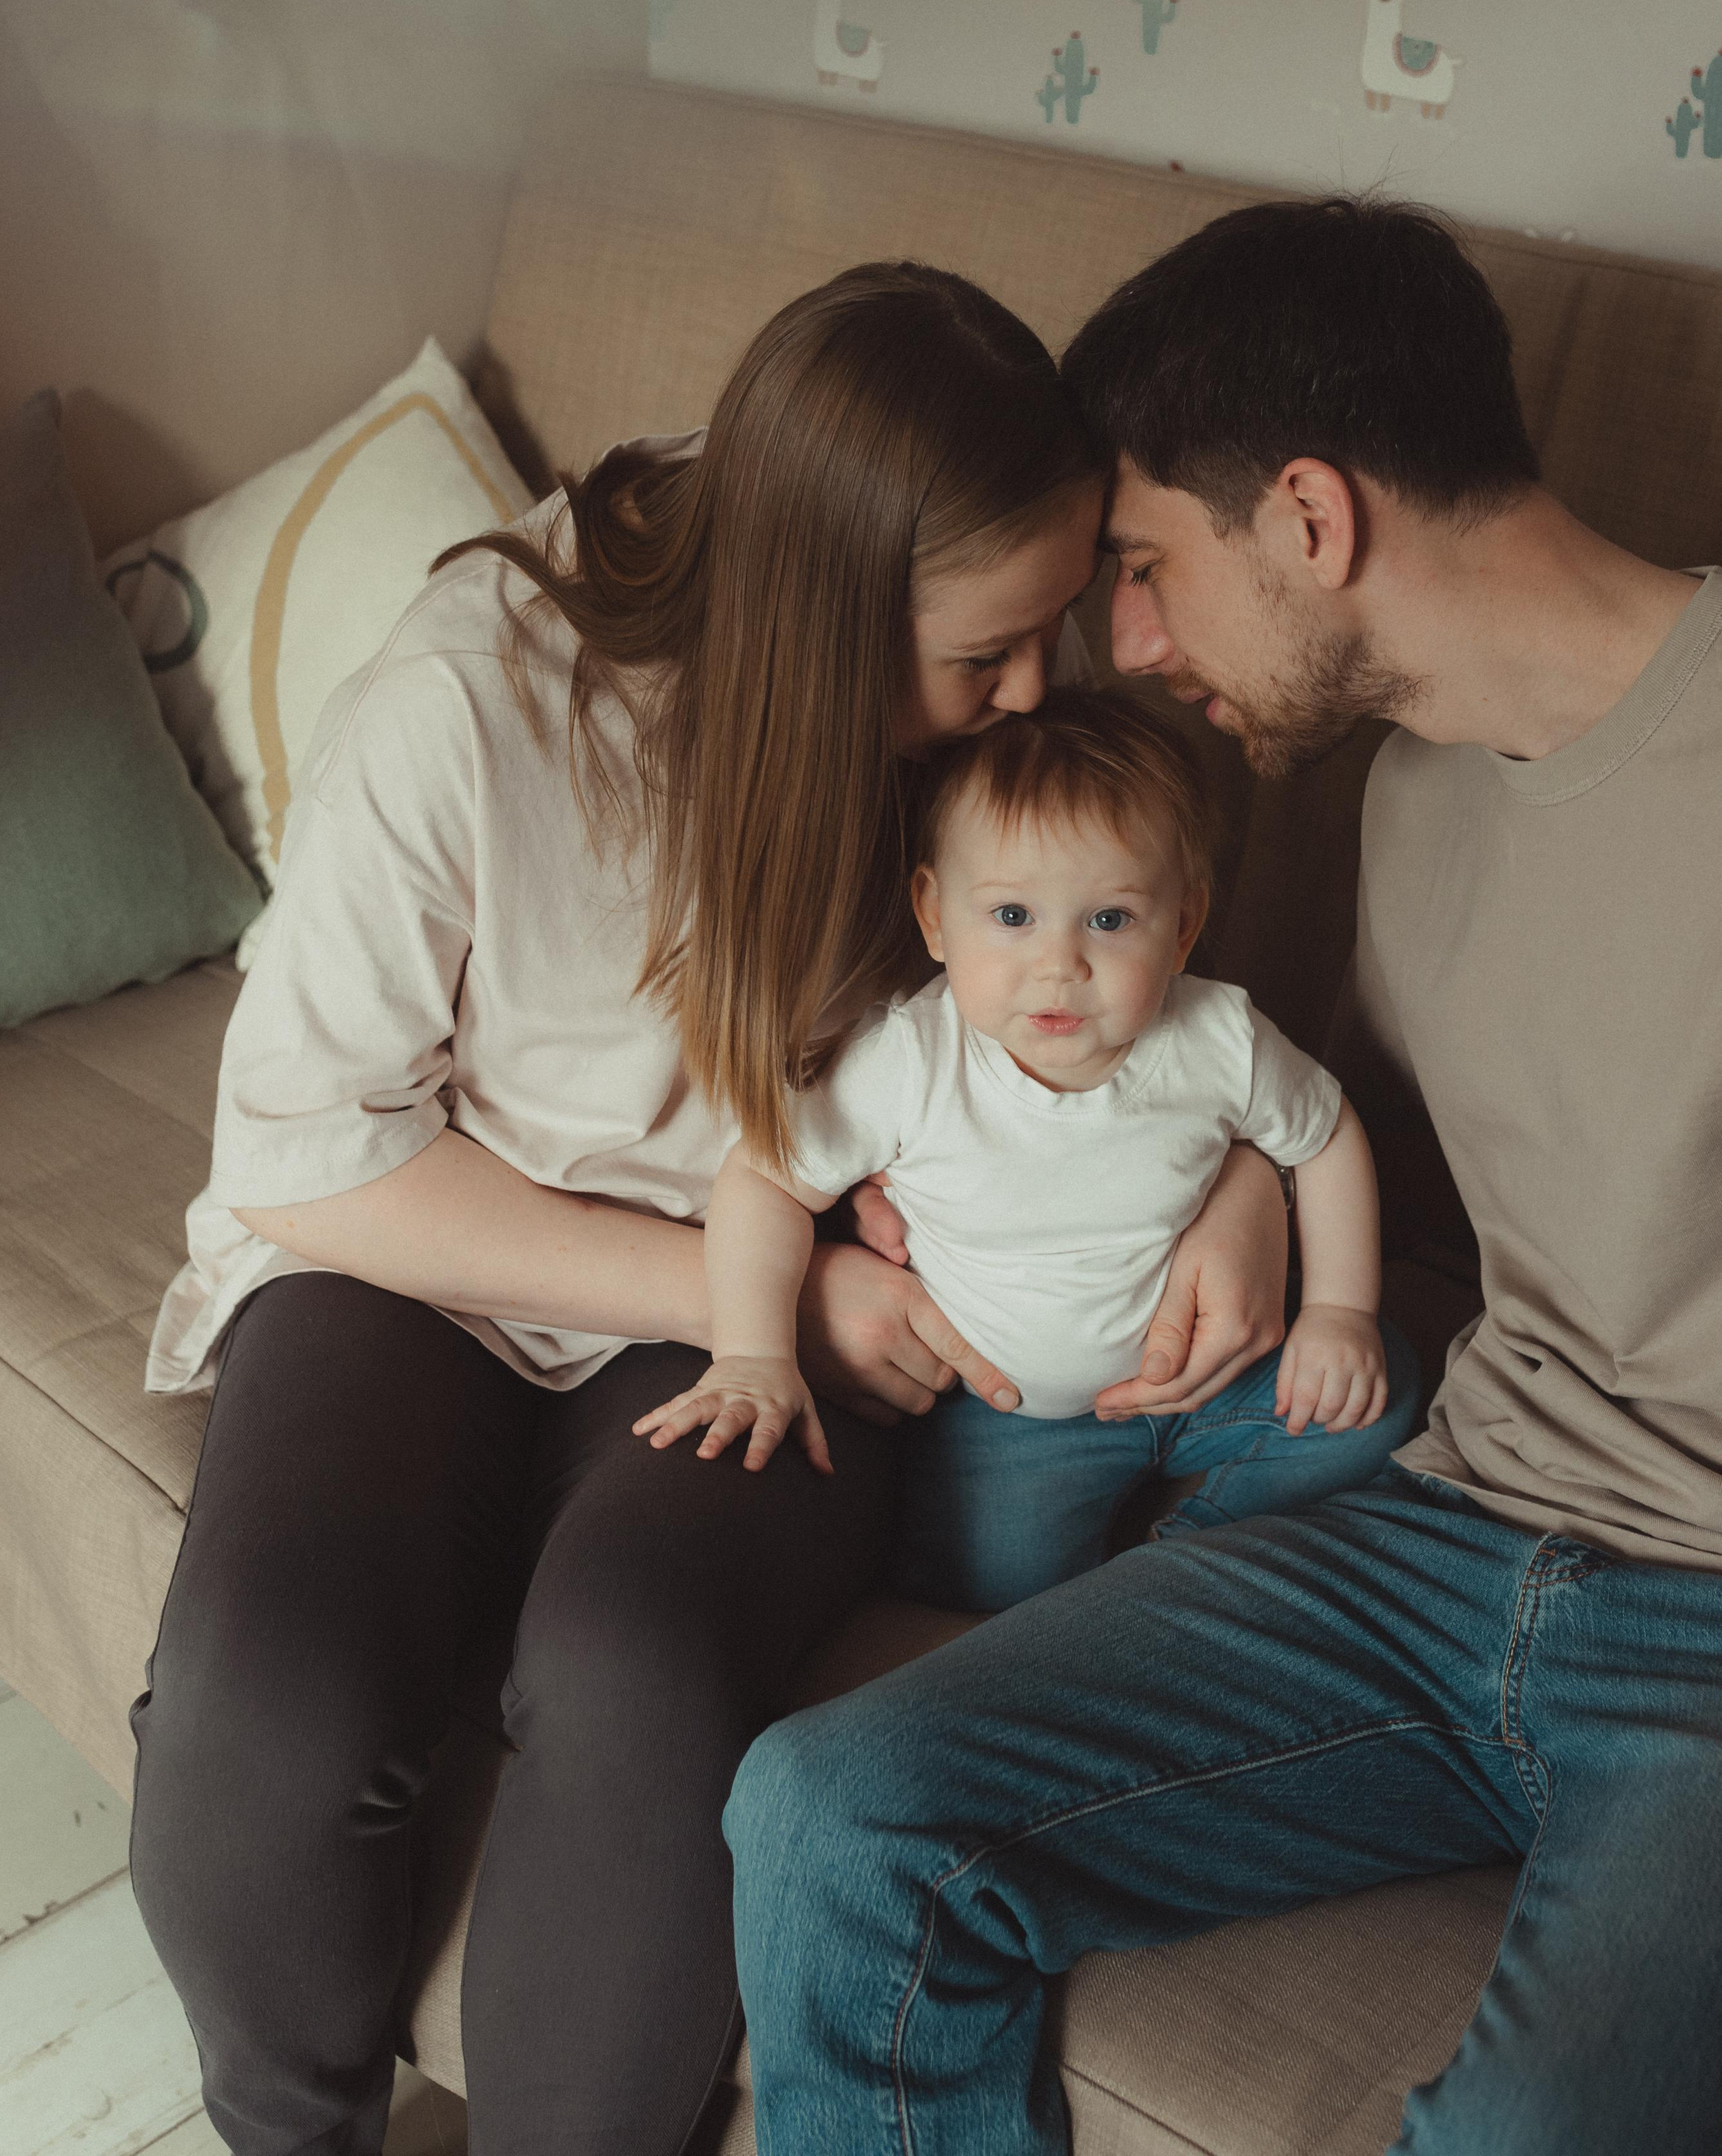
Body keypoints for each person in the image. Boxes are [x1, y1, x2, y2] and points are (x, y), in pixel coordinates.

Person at [125, 260, 1288, 2156]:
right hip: (441, 1245)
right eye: (985, 653)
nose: (1033, 699)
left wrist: (1241, 1175)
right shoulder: (474, 704)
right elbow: (303, 1150)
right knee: (268, 1687)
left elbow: (1139, 981)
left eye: (1056, 633)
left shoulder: (973, 736)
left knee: (634, 1666)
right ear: (820, 612)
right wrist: (771, 1297)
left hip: (776, 1300)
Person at [726, 199, 1722, 2155]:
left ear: (1310, 518)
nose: (1126, 646)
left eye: (1145, 568)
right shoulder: (1412, 796)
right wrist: (1242, 1203)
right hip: (1453, 1533)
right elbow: (1315, 1113)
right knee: (830, 1816)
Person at [636, 688, 1417, 1612]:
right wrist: (754, 1355)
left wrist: (1337, 1311)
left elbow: (1325, 1135)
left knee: (1381, 1401)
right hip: (1016, 1421)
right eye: (1012, 917)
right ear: (934, 916)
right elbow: (765, 1182)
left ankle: (1184, 1561)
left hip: (1211, 1383)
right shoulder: (911, 1063)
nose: (1060, 965)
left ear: (1184, 926)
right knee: (992, 1580)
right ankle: (1101, 1593)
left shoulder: (1219, 1039)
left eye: (1111, 921)